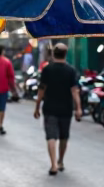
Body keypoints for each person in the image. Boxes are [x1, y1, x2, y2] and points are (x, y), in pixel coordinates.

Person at [34, 42, 81, 175]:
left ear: (53, 54)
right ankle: (60, 161)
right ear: (66, 54)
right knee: (64, 136)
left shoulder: (47, 70)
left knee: (51, 137)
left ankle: (53, 164)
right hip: (66, 108)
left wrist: (37, 106)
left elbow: (41, 90)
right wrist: (78, 108)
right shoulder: (71, 71)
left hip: (49, 108)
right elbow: (75, 91)